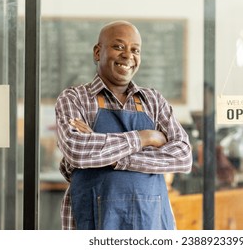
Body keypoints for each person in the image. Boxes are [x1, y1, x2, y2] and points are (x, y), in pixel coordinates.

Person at [55, 20, 193, 230]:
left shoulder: (153, 100)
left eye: (135, 50)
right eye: (118, 46)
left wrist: (109, 157)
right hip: (94, 221)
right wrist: (145, 138)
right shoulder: (74, 98)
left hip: (151, 222)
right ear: (97, 52)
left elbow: (183, 156)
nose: (128, 55)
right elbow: (78, 149)